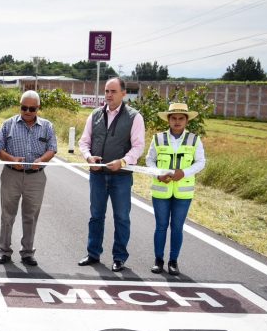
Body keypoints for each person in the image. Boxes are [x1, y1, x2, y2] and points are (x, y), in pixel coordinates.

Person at [78, 77, 146, 272]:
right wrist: (88, 157)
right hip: (97, 175)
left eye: (113, 91)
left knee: (122, 217)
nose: (108, 95)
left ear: (123, 93)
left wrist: (123, 162)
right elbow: (84, 142)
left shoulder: (135, 117)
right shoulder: (95, 114)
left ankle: (119, 257)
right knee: (96, 215)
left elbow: (139, 146)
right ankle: (93, 254)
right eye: (106, 91)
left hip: (122, 176)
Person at [0, 90, 57, 266]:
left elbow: (52, 149)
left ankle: (27, 252)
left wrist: (42, 160)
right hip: (11, 176)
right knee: (7, 215)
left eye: (32, 108)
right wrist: (11, 160)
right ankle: (4, 251)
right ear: (20, 107)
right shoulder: (8, 124)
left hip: (35, 178)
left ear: (38, 108)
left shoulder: (47, 126)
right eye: (24, 108)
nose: (28, 112)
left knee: (30, 216)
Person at [146, 103, 206, 276]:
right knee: (161, 226)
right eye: (174, 118)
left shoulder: (194, 139)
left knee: (177, 227)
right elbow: (150, 160)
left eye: (181, 118)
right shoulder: (157, 138)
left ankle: (173, 262)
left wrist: (184, 172)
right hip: (161, 191)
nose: (177, 121)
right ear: (168, 120)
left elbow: (201, 162)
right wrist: (158, 174)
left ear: (187, 121)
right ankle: (158, 260)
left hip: (183, 192)